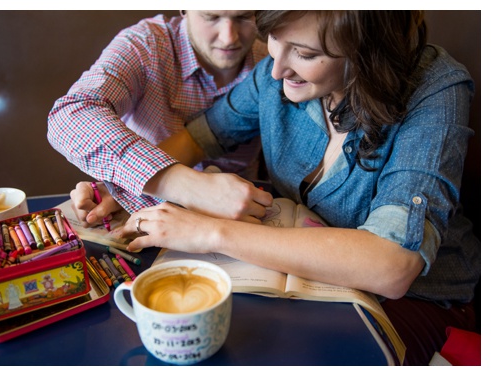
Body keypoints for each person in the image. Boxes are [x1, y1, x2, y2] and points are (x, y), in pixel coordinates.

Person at [111, 11, 479, 366]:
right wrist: (123, 185)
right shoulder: (275, 76)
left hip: (418, 300)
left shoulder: (435, 87)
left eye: (304, 54)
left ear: (367, 49)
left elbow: (392, 265)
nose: (276, 70)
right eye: (274, 39)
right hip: (313, 286)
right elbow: (196, 137)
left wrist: (210, 232)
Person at [47, 11, 267, 226]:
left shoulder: (270, 62)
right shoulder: (146, 44)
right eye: (211, 17)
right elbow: (70, 114)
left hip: (243, 213)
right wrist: (185, 186)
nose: (229, 37)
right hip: (143, 205)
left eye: (243, 17)